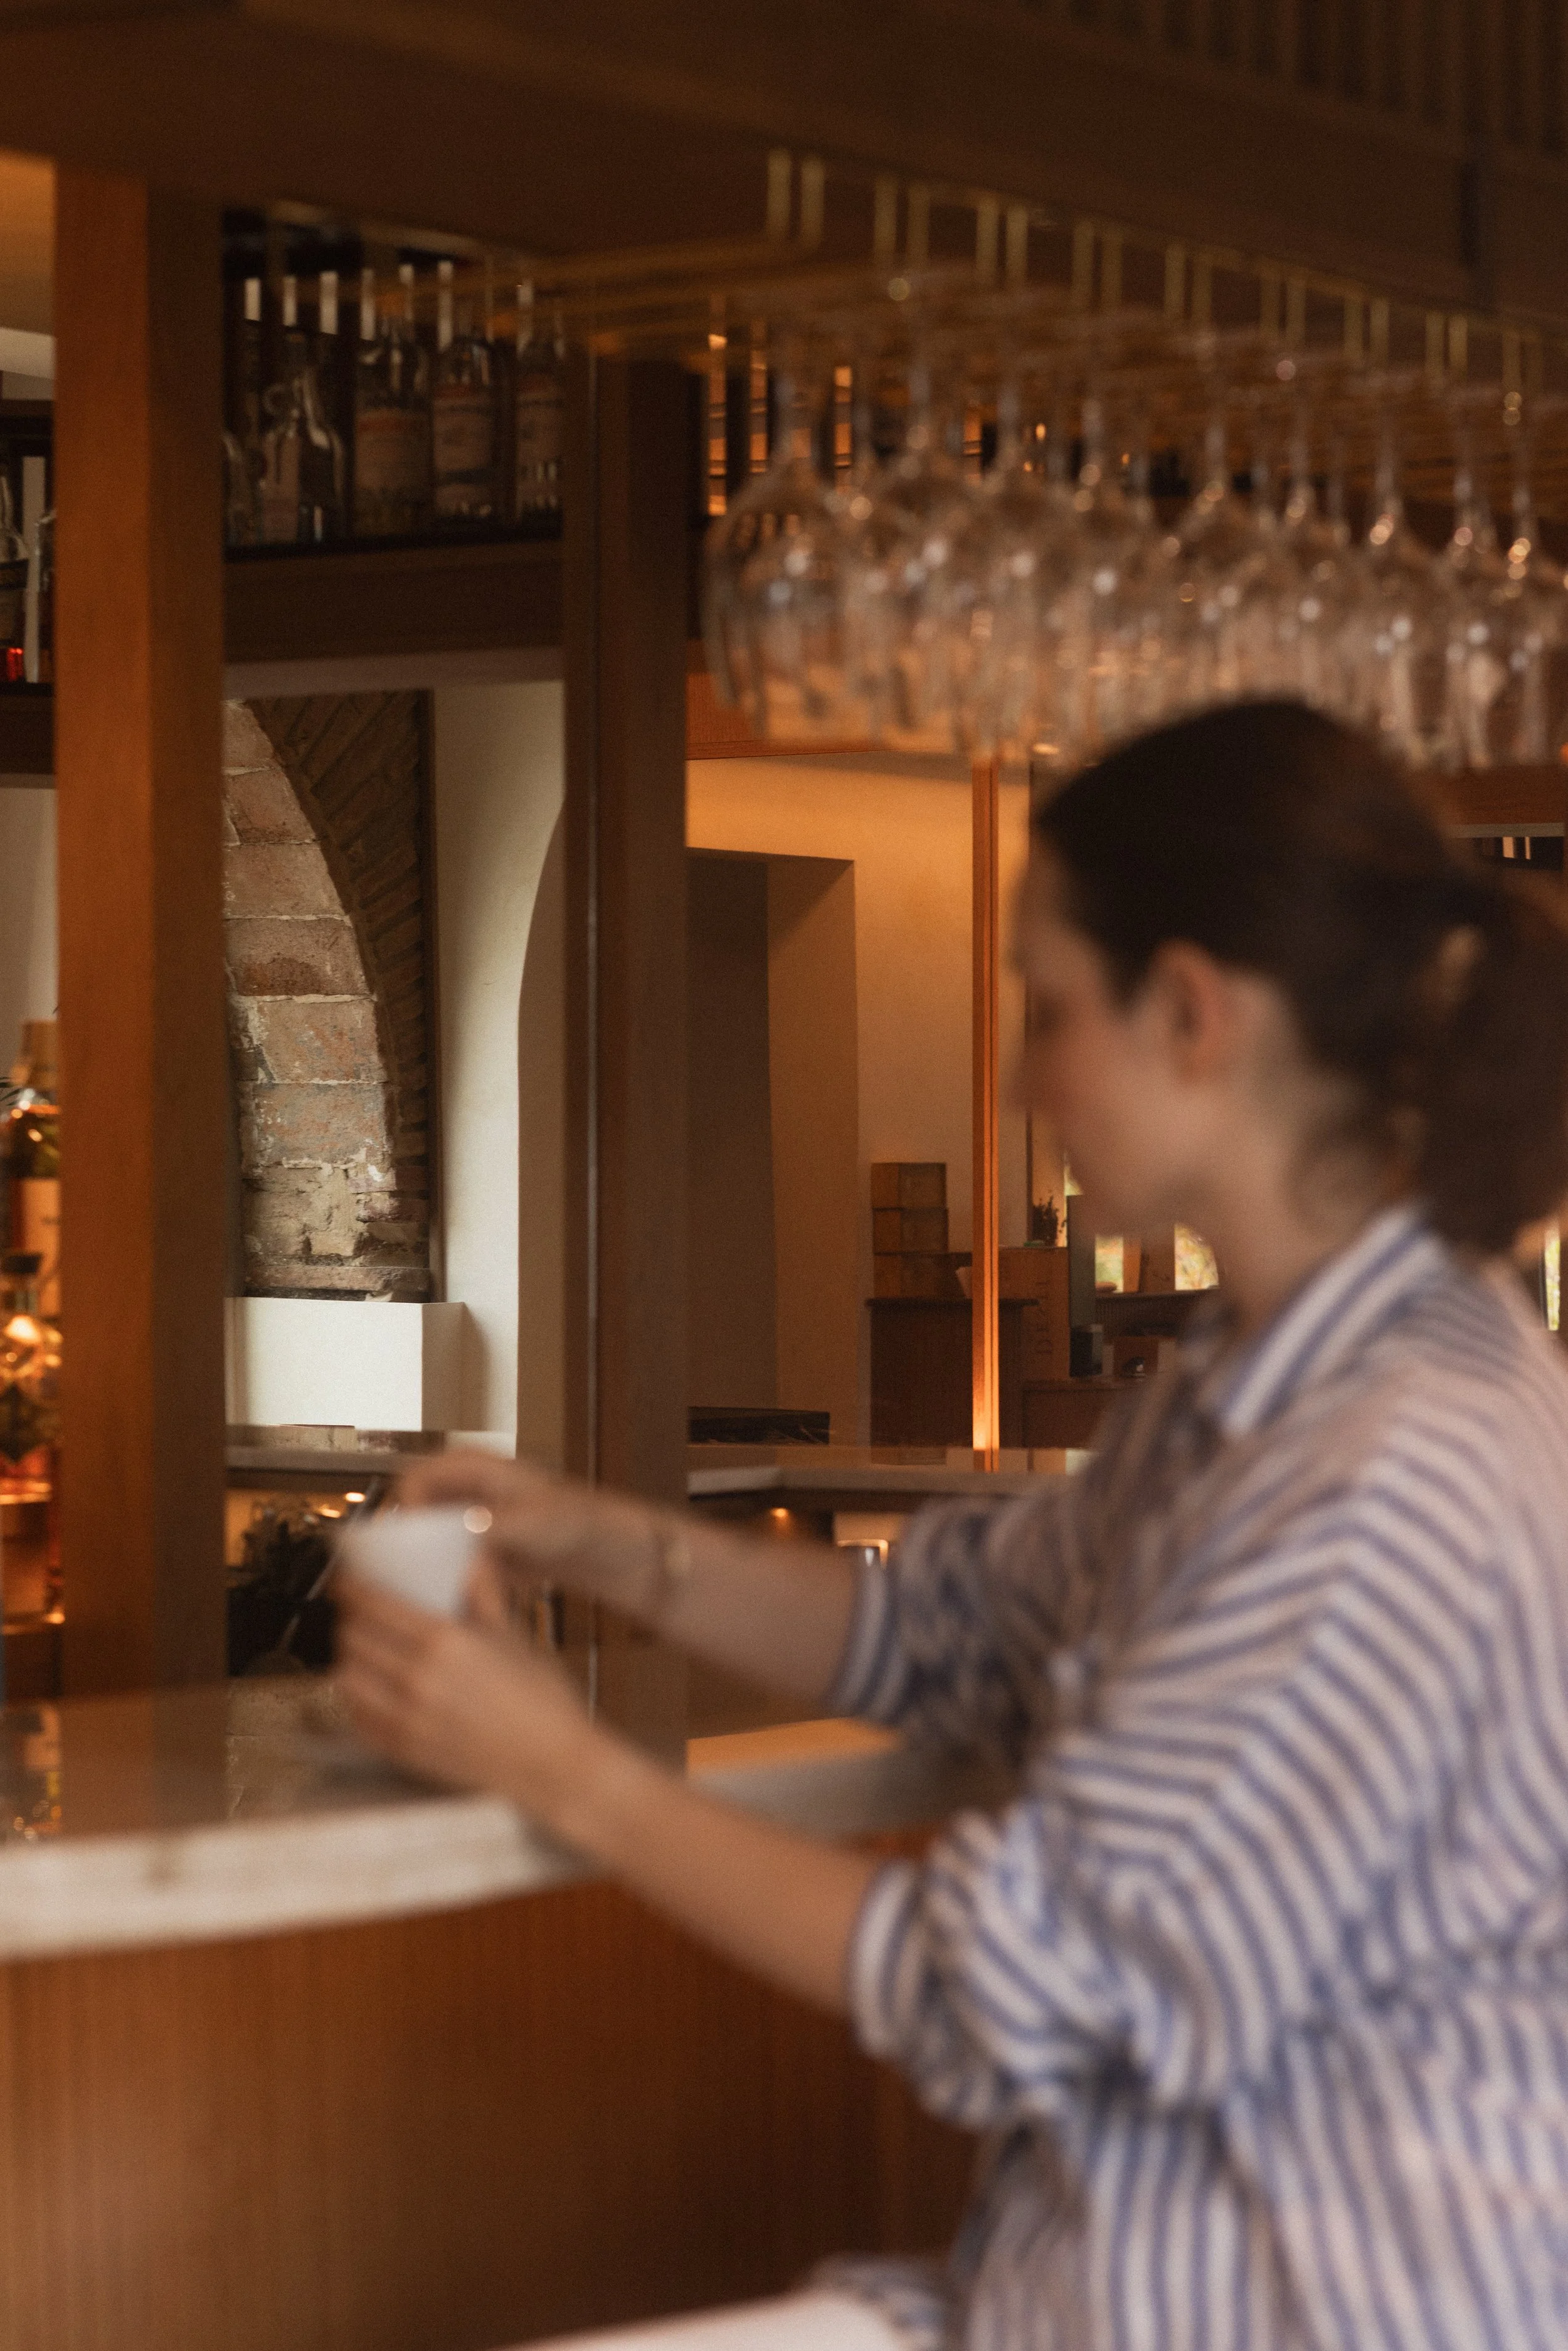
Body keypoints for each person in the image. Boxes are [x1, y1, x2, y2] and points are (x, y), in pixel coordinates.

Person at [337, 701, 1568, 2351]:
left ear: (1191, 1012)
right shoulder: (1266, 1375)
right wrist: (589, 1537)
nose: (1013, 1069)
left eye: (1044, 1005)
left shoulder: (1379, 1475)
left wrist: (556, 1762)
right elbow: (938, 1630)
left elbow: (998, 1983)